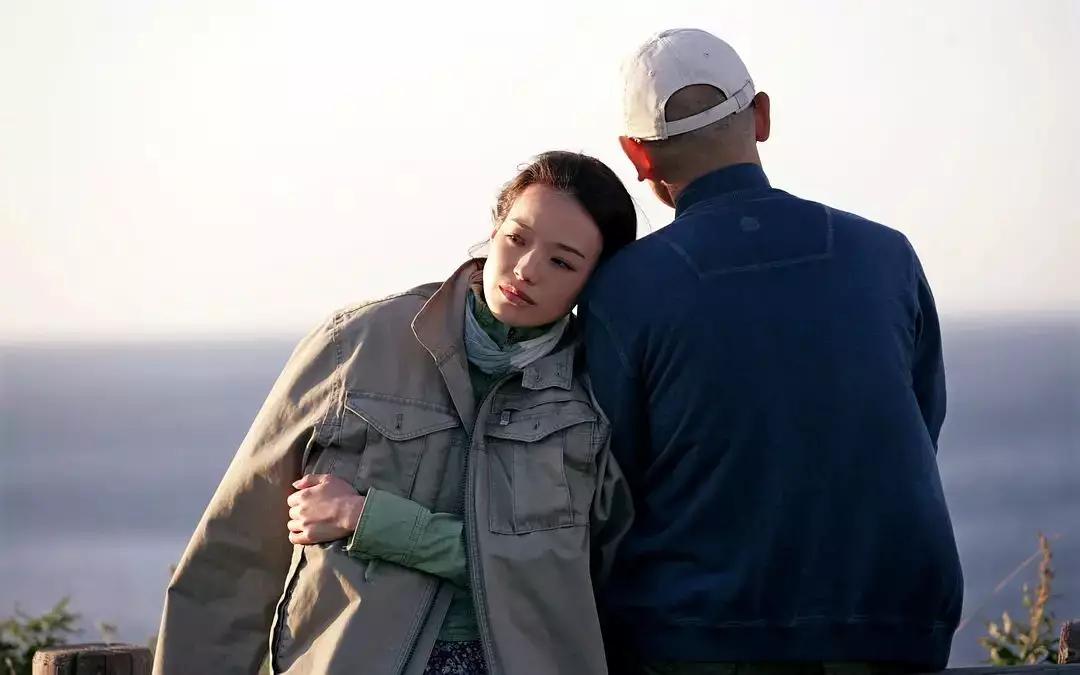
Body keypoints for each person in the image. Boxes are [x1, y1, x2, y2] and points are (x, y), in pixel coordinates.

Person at [154, 151, 637, 675]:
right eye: (517, 238)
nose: (525, 270)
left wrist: (367, 519)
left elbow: (575, 580)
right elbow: (234, 554)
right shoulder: (356, 345)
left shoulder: (594, 395)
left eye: (561, 262)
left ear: (595, 280)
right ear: (495, 229)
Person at [582, 29, 964, 674]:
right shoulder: (888, 254)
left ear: (636, 155)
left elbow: (608, 487)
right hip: (900, 629)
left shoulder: (622, 287)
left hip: (704, 638)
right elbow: (921, 425)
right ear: (761, 116)